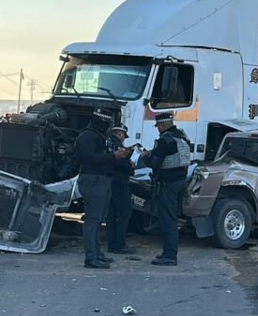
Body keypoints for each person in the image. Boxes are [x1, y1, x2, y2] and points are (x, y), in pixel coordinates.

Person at [75, 109, 130, 269]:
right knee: (93, 220)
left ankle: (97, 253)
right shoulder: (88, 136)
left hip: (102, 179)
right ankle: (91, 257)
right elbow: (87, 157)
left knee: (98, 219)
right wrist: (113, 157)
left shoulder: (97, 135)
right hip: (94, 179)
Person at [142, 112, 192, 267]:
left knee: (167, 219)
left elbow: (154, 162)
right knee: (173, 218)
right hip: (181, 182)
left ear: (162, 125)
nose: (158, 130)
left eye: (158, 126)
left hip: (168, 184)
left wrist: (145, 156)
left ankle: (169, 255)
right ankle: (169, 252)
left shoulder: (165, 140)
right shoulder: (183, 137)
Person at [106, 125, 137, 255]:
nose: (124, 139)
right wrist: (131, 164)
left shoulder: (106, 143)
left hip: (109, 182)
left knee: (111, 214)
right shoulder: (118, 147)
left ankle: (111, 244)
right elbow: (123, 164)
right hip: (120, 182)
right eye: (124, 136)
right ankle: (120, 244)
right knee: (124, 213)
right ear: (120, 134)